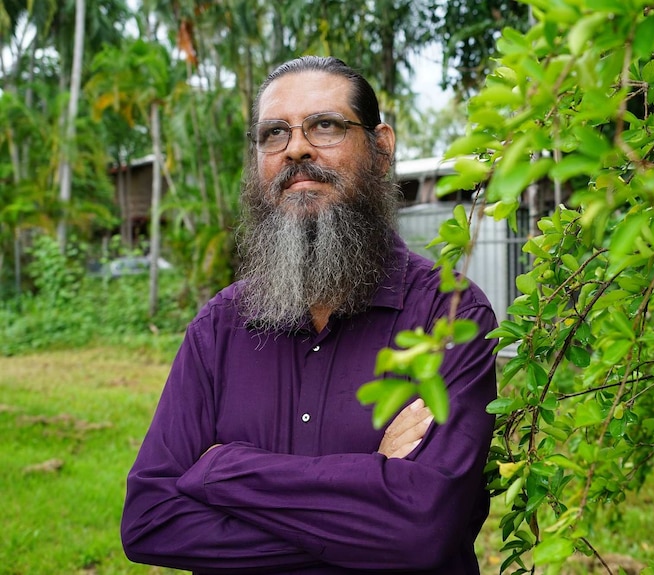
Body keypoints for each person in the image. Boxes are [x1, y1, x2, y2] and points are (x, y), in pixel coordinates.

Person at [120, 56, 498, 574]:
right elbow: (150, 520)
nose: (296, 147)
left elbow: (423, 531)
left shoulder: (450, 315)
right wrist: (370, 491)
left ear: (381, 150)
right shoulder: (219, 327)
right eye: (274, 133)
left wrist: (220, 469)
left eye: (325, 125)